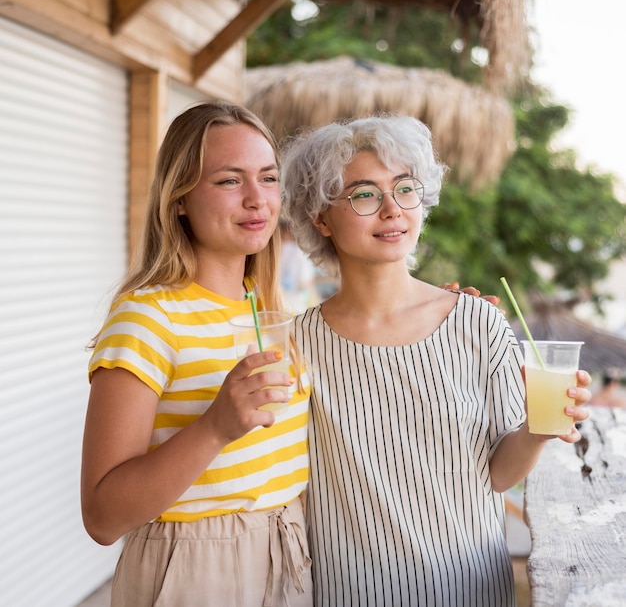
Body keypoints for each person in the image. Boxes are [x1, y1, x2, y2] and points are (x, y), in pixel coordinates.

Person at [280, 114, 592, 607]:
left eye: (405, 189)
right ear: (320, 216)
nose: (391, 210)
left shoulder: (480, 323)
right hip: (350, 594)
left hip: (472, 589)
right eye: (364, 194)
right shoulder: (294, 346)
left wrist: (538, 428)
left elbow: (498, 475)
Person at [81, 102, 312, 606]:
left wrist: (442, 310)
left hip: (288, 553)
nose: (257, 200)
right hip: (193, 569)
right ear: (180, 198)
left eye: (268, 178)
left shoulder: (270, 309)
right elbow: (101, 517)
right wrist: (215, 427)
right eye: (230, 181)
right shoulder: (147, 318)